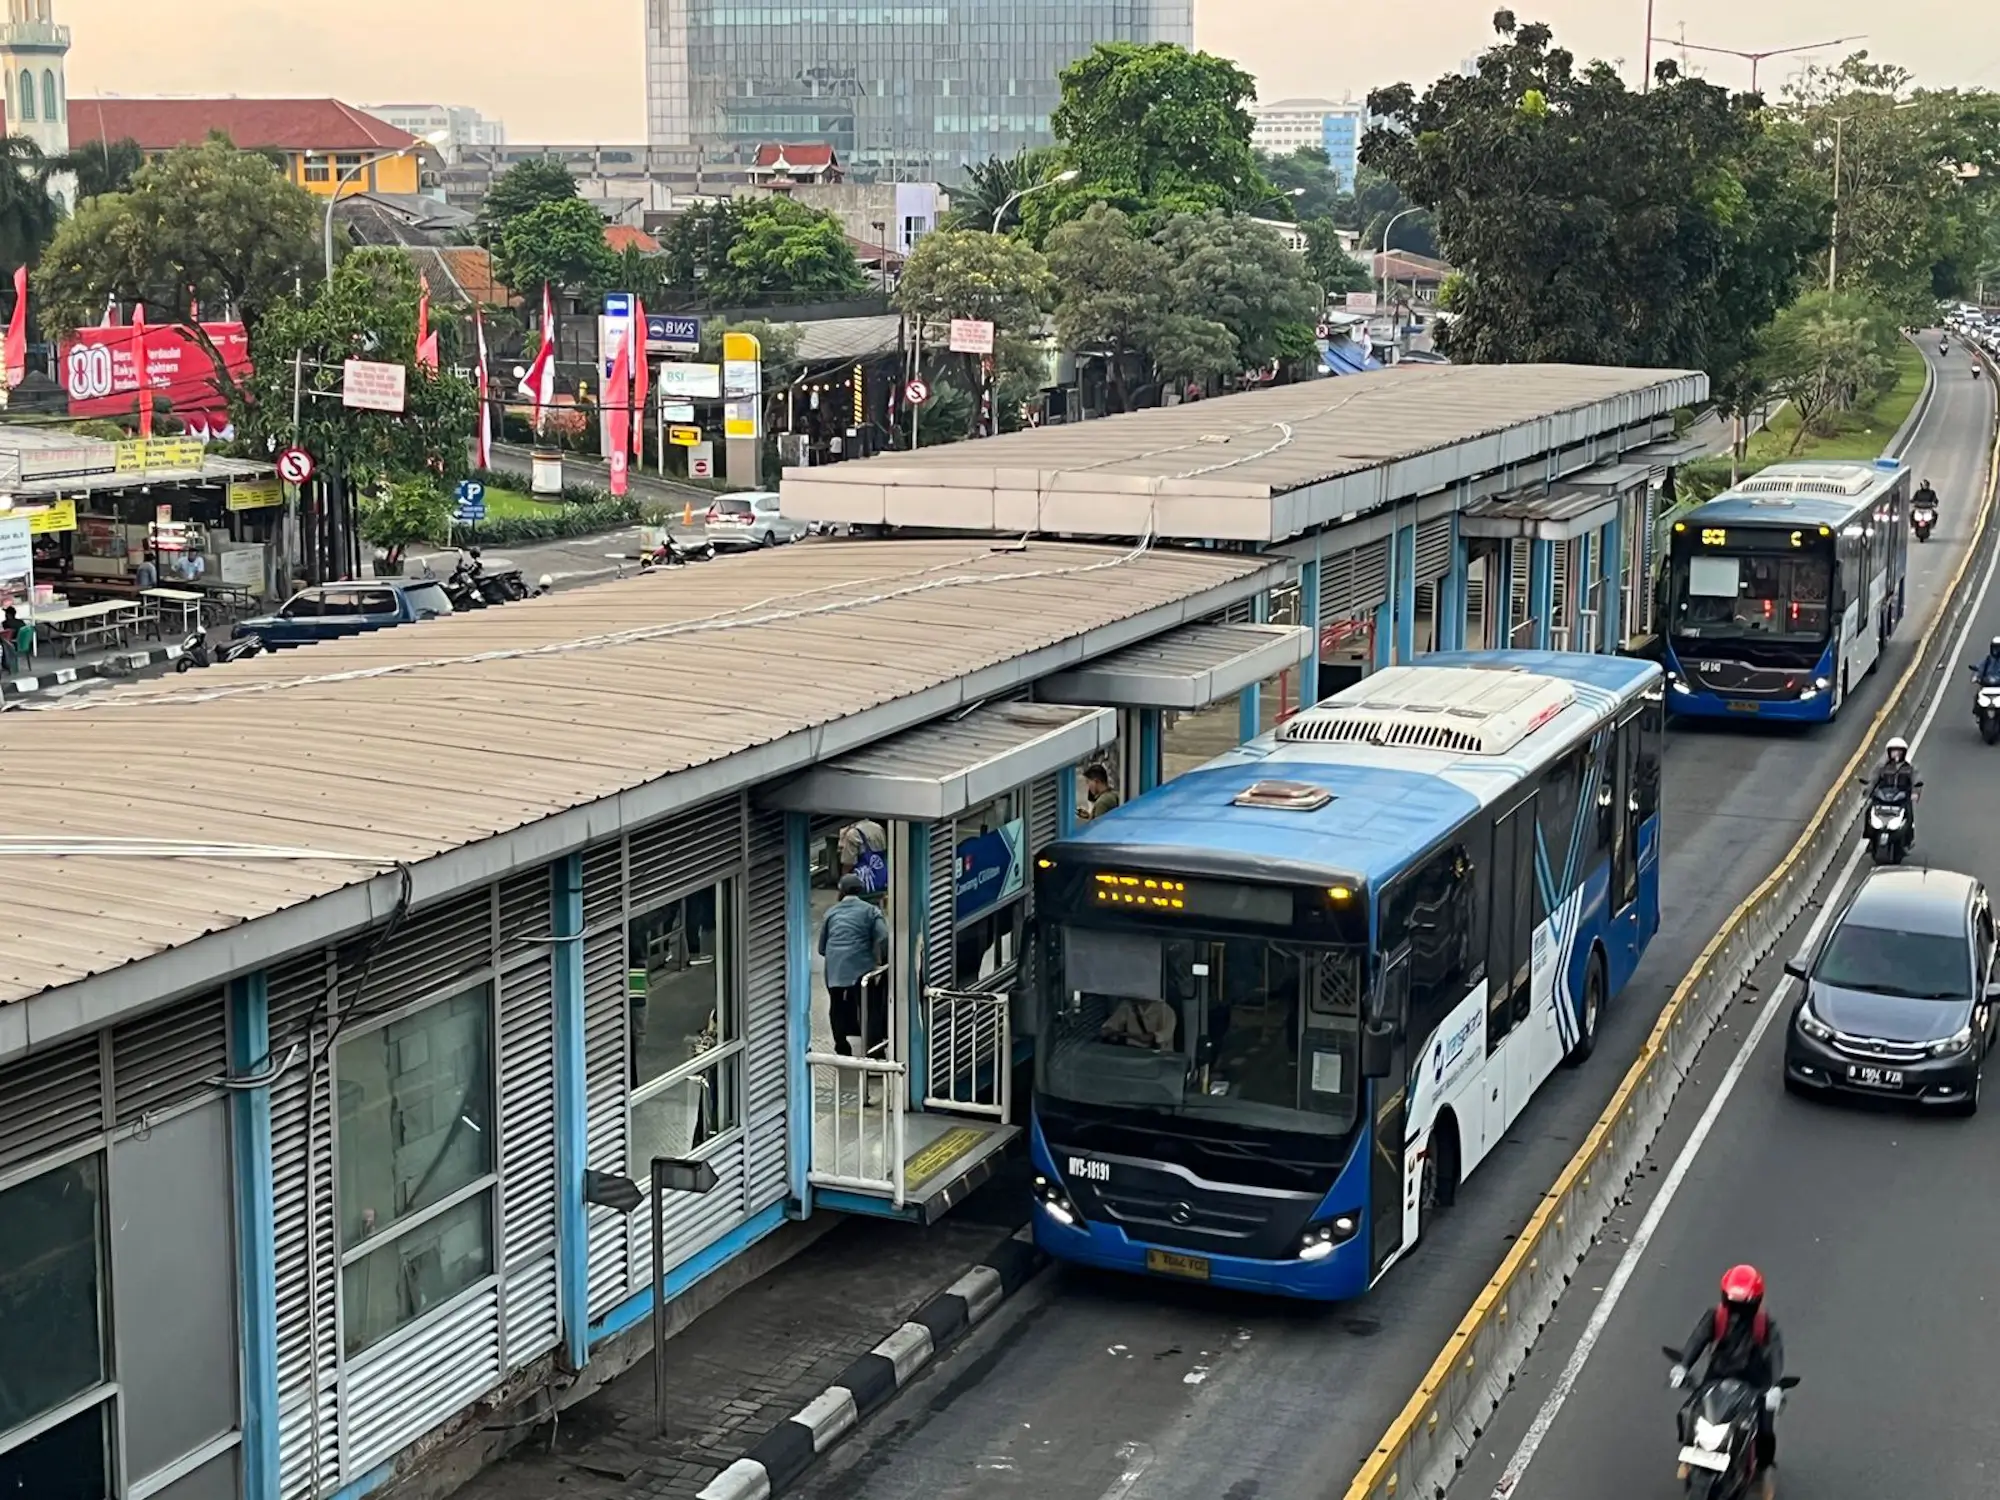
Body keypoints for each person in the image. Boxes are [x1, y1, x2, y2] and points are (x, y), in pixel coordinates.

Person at [1669, 1264, 1787, 1499]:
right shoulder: (1716, 1317)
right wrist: (1682, 1367)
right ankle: (1691, 1452)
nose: (1738, 1308)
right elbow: (1697, 1340)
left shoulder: (1766, 1325)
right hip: (1717, 1379)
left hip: (1754, 1384)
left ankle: (1764, 1468)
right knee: (1689, 1413)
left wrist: (1775, 1387)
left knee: (1764, 1430)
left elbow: (1775, 1354)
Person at [818, 874, 889, 1060]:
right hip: (862, 967)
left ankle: (841, 1045)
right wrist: (883, 959)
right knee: (870, 1006)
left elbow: (822, 948)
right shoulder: (871, 911)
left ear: (841, 890)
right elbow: (883, 937)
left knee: (836, 1005)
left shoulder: (831, 913)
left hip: (835, 968)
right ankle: (874, 1049)